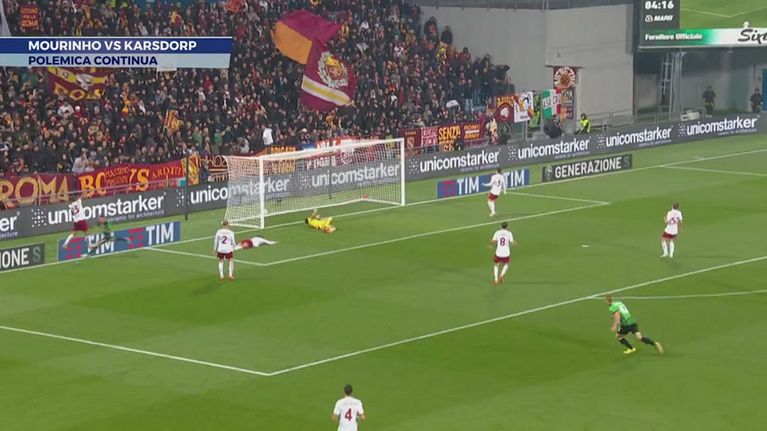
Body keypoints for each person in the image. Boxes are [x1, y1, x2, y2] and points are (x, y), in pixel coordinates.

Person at [490, 221, 516, 286]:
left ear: (501, 226)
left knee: (496, 265)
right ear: (507, 227)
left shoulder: (497, 232)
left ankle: (496, 280)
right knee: (506, 264)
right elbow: (512, 242)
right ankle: (501, 275)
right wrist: (515, 242)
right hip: (506, 253)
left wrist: (491, 244)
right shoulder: (509, 233)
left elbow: (493, 241)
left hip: (498, 253)